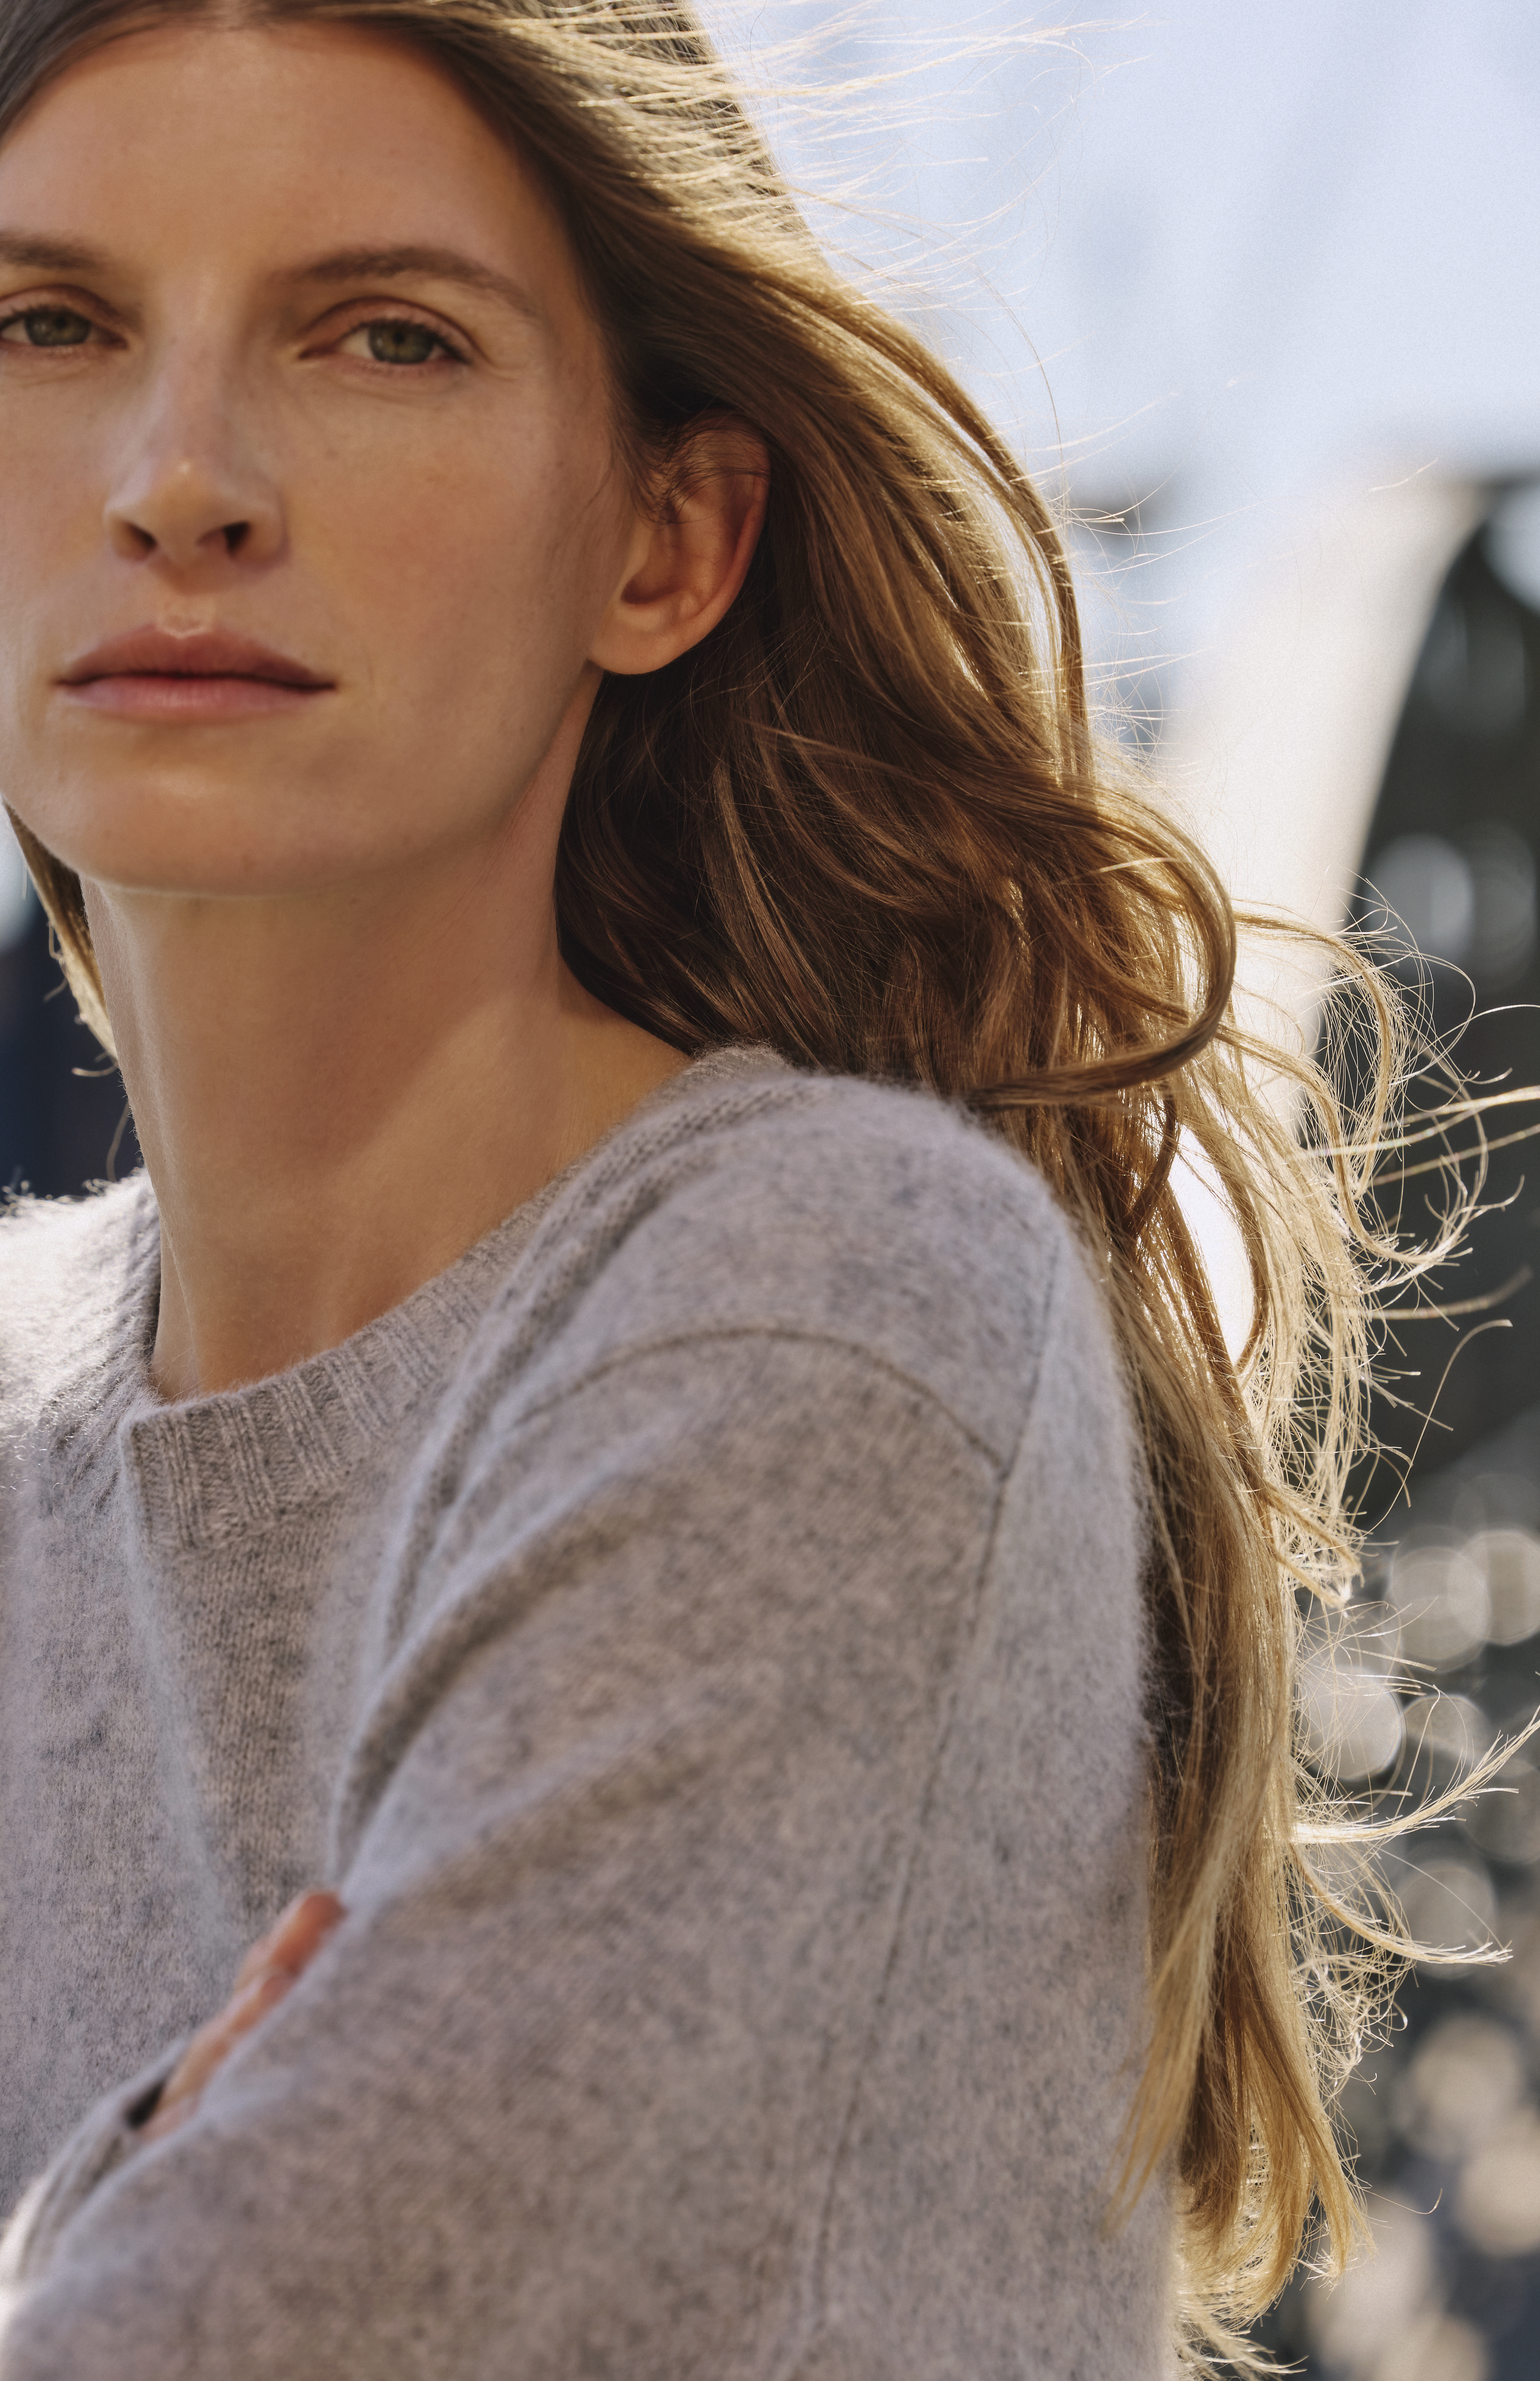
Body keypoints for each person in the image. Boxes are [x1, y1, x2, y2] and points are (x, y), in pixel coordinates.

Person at [0, 1, 1413, 2373]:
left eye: (386, 336)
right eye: (49, 324)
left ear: (667, 540)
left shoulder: (818, 1309)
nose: (183, 481)